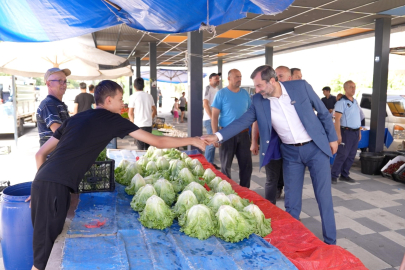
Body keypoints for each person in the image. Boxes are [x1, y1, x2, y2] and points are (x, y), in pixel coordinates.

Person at [28, 80, 206, 270]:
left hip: (44, 182)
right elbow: (157, 141)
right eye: (121, 99)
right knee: (41, 260)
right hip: (53, 187)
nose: (124, 104)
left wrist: (40, 188)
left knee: (49, 244)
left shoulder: (75, 118)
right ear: (109, 100)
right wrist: (193, 140)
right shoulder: (112, 119)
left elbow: (40, 154)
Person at [202, 65, 338, 245]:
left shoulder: (301, 87)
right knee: (291, 201)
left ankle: (331, 242)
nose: (256, 91)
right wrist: (217, 135)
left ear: (272, 81)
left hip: (315, 148)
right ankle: (293, 241)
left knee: (323, 197)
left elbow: (323, 112)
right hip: (291, 153)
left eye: (259, 86)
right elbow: (242, 121)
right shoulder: (259, 100)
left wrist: (333, 138)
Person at [211, 69, 252, 188]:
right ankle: (227, 191)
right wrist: (215, 136)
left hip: (244, 134)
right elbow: (214, 116)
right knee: (225, 166)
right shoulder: (221, 93)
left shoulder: (245, 94)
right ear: (229, 79)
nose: (239, 79)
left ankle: (245, 190)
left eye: (240, 76)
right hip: (226, 134)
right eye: (236, 77)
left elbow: (251, 113)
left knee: (246, 166)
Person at [331, 80, 361, 184]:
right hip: (346, 132)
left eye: (354, 87)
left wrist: (359, 131)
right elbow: (337, 119)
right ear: (345, 89)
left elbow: (357, 117)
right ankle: (333, 175)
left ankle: (344, 174)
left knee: (351, 155)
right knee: (342, 155)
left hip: (355, 132)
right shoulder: (341, 102)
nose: (353, 89)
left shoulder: (355, 101)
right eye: (351, 87)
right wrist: (338, 135)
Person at [36, 68, 71, 146]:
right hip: (54, 157)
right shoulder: (48, 104)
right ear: (48, 84)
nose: (64, 84)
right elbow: (59, 132)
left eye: (65, 81)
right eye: (60, 81)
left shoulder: (59, 104)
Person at [128, 78, 157, 150]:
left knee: (140, 148)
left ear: (134, 86)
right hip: (148, 125)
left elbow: (130, 113)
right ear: (143, 86)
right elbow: (154, 111)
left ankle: (141, 160)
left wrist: (132, 122)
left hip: (138, 126)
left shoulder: (132, 97)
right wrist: (151, 118)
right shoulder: (149, 96)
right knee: (148, 148)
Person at [203, 73, 221, 170]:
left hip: (215, 120)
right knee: (211, 142)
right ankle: (207, 165)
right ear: (210, 80)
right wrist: (212, 118)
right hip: (209, 120)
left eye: (218, 79)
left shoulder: (217, 90)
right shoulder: (208, 88)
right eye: (216, 79)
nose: (218, 80)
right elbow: (205, 104)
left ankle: (210, 163)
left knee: (214, 142)